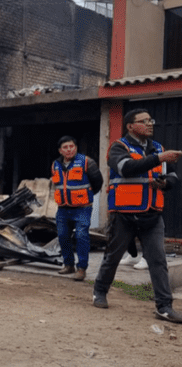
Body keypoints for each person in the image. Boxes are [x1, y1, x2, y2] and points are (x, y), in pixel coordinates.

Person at [93, 109, 182, 323]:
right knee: (113, 257)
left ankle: (164, 306)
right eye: (144, 121)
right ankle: (100, 291)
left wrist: (165, 183)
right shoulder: (118, 147)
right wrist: (158, 158)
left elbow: (172, 176)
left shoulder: (157, 147)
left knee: (158, 260)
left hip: (151, 214)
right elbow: (126, 169)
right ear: (130, 126)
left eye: (151, 120)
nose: (150, 124)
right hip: (124, 214)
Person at [51, 136, 103, 281]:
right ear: (60, 151)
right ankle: (68, 265)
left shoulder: (87, 162)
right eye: (65, 147)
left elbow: (98, 182)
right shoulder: (55, 164)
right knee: (62, 236)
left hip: (82, 208)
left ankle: (81, 269)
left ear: (76, 147)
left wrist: (85, 197)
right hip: (62, 209)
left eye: (71, 146)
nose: (69, 149)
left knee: (81, 236)